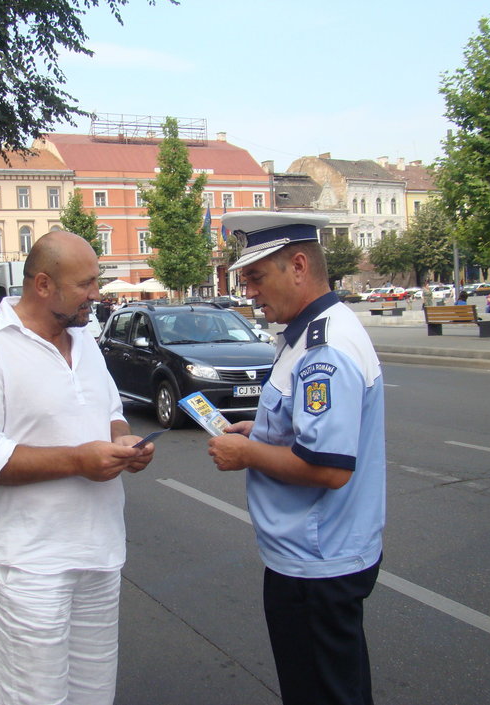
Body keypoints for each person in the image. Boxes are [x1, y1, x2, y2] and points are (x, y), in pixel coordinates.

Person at [0, 230, 155, 705]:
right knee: (35, 698)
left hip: (99, 552)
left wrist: (124, 441)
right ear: (42, 284)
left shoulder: (86, 343)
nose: (96, 295)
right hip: (26, 563)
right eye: (85, 284)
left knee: (94, 695)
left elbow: (112, 410)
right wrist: (79, 460)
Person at [207, 211, 385, 705]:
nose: (250, 293)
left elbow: (328, 467)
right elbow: (306, 431)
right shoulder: (310, 333)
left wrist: (246, 453)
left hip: (317, 563)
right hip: (318, 555)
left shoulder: (323, 350)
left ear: (299, 266)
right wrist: (259, 432)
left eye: (257, 278)